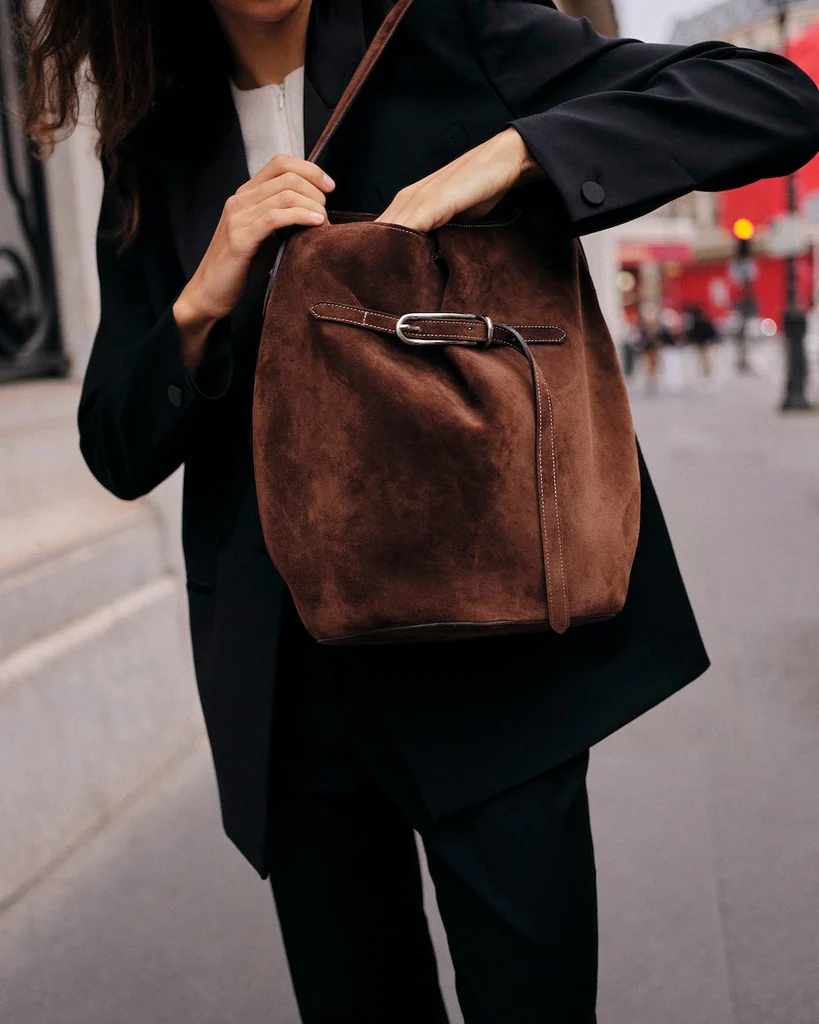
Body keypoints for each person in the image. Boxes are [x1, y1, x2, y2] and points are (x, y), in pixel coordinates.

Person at [22, 2, 819, 1020]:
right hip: (286, 684)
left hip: (489, 647)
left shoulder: (446, 29)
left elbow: (772, 98)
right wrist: (203, 296)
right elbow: (116, 446)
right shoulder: (155, 140)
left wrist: (511, 156)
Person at [686, 304, 720, 379]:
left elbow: (711, 333)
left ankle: (707, 373)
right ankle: (705, 373)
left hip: (706, 343)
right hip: (702, 344)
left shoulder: (702, 323)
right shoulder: (698, 324)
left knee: (707, 359)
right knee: (704, 359)